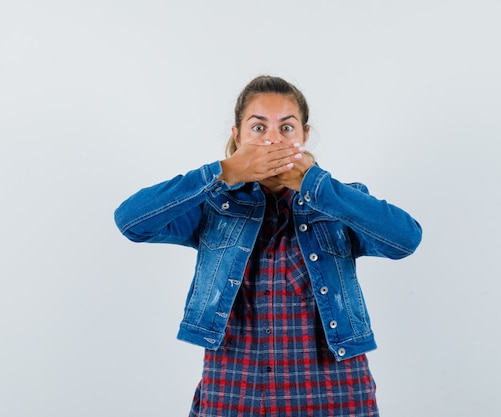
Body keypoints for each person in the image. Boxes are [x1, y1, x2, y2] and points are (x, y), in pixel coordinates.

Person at [114, 75, 422, 416]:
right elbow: (130, 221)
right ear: (238, 137)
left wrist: (318, 186)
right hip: (234, 387)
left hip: (333, 388)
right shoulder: (214, 205)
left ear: (304, 135)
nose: (273, 139)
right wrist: (224, 172)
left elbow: (405, 239)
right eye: (258, 128)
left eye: (286, 128)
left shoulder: (338, 201)